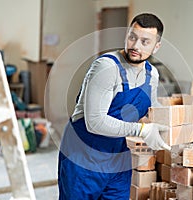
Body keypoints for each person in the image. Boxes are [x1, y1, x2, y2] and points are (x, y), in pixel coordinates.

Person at [58, 13, 170, 200]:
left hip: (117, 156)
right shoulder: (107, 68)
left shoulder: (152, 74)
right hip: (83, 156)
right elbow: (95, 122)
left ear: (156, 47)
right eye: (132, 37)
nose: (135, 46)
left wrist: (178, 126)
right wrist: (142, 130)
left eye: (145, 42)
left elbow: (152, 107)